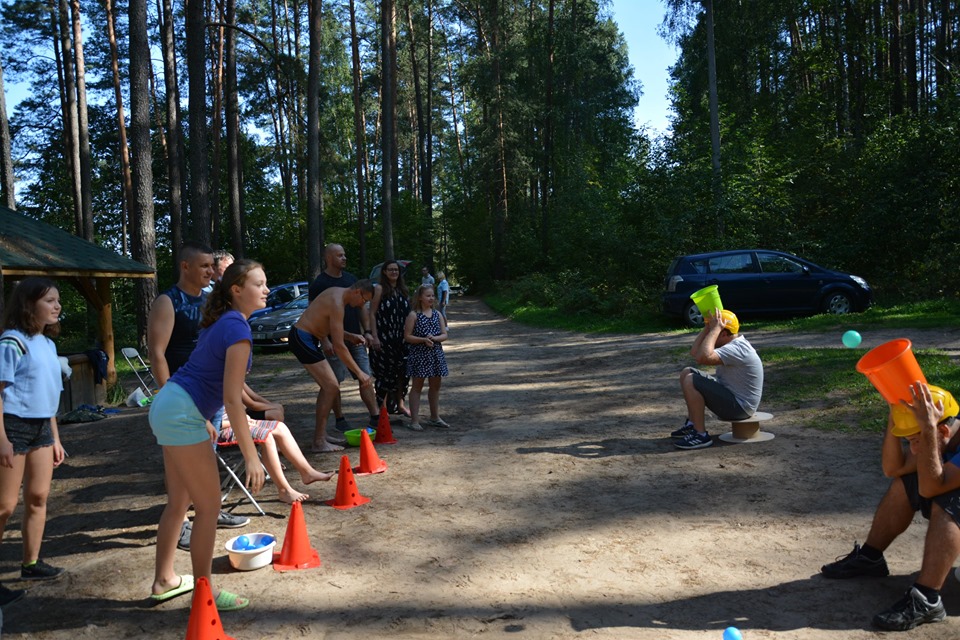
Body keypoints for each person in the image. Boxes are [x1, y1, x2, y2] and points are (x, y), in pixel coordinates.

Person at [148, 260, 267, 610]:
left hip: (171, 405)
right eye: (259, 284)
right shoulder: (236, 328)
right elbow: (231, 399)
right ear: (236, 290)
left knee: (179, 502)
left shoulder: (224, 321)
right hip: (180, 411)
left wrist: (199, 418)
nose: (266, 290)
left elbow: (205, 377)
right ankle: (205, 594)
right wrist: (251, 456)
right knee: (209, 507)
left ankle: (164, 579)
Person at [820, 382, 960, 632]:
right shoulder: (944, 431)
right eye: (909, 441)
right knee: (908, 481)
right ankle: (870, 557)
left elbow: (931, 488)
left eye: (916, 440)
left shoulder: (936, 430)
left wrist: (927, 429)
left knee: (950, 500)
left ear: (943, 430)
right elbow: (893, 468)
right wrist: (894, 414)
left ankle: (927, 599)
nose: (913, 449)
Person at [146, 241, 249, 552]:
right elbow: (157, 354)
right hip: (182, 397)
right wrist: (169, 395)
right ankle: (183, 522)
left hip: (208, 395)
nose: (210, 271)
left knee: (206, 456)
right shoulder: (168, 301)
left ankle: (208, 511)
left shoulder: (209, 301)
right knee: (181, 466)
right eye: (204, 266)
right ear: (185, 267)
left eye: (212, 266)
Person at [0, 278, 67, 608]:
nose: (57, 306)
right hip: (12, 426)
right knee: (4, 506)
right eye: (49, 301)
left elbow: (50, 394)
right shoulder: (12, 341)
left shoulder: (48, 344)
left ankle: (31, 563)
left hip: (42, 428)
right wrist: (2, 438)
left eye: (58, 300)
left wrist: (55, 438)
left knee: (38, 497)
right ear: (29, 305)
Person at [289, 280, 376, 452]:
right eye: (364, 300)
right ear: (357, 291)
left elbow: (325, 325)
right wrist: (359, 373)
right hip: (303, 338)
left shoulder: (336, 293)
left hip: (305, 337)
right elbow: (339, 346)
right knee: (331, 386)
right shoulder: (337, 303)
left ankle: (321, 435)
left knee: (329, 386)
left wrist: (350, 336)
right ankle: (318, 441)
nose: (362, 305)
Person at [307, 244, 378, 433]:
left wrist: (367, 331)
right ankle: (339, 419)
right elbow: (314, 314)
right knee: (334, 381)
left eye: (344, 255)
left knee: (365, 375)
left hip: (355, 338)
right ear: (329, 258)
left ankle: (375, 417)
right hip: (333, 340)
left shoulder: (351, 280)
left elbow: (361, 308)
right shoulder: (320, 283)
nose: (344, 258)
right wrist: (324, 340)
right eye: (340, 255)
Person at [671, 308, 763, 450]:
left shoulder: (737, 348)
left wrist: (714, 329)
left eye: (713, 332)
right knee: (686, 372)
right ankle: (692, 425)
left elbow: (703, 357)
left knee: (690, 380)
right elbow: (695, 352)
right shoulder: (731, 344)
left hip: (741, 408)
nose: (710, 335)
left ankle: (700, 435)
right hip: (733, 399)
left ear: (724, 333)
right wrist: (708, 327)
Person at [217, 415, 332, 504]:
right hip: (220, 428)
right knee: (265, 436)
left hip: (236, 420)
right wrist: (239, 421)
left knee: (280, 427)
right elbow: (209, 422)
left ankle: (307, 472)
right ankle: (284, 490)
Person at [404, 284, 450, 431]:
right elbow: (407, 336)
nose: (431, 298)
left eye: (432, 295)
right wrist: (423, 340)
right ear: (420, 297)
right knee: (417, 387)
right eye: (428, 295)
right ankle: (414, 421)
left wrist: (435, 338)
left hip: (435, 354)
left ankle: (435, 417)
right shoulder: (413, 315)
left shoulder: (438, 314)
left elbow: (444, 334)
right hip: (419, 355)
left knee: (435, 386)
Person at [369, 260, 411, 417]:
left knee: (403, 373)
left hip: (402, 339)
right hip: (384, 338)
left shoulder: (403, 290)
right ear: (384, 272)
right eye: (391, 269)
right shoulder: (379, 289)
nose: (394, 272)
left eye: (396, 270)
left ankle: (401, 405)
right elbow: (371, 314)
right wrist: (374, 336)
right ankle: (383, 408)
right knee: (385, 375)